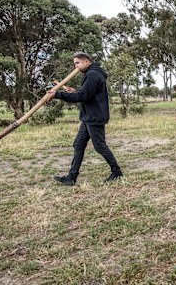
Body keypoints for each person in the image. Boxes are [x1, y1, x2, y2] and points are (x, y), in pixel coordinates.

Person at [47, 52, 122, 185]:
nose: (76, 67)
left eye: (77, 63)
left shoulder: (93, 75)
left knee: (100, 146)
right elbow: (86, 95)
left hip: (95, 117)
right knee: (78, 144)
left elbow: (83, 97)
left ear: (87, 62)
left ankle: (116, 172)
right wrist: (75, 92)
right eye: (74, 64)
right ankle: (72, 177)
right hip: (88, 117)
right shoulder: (91, 74)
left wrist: (58, 95)